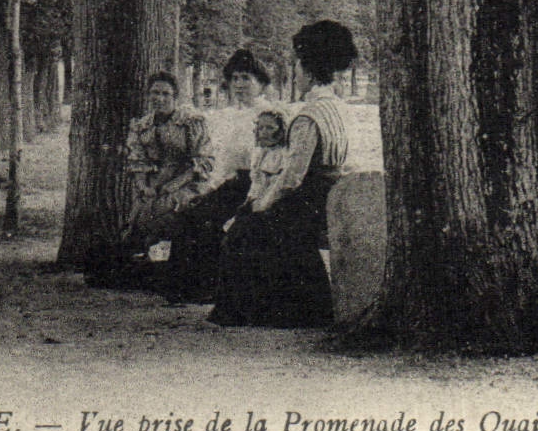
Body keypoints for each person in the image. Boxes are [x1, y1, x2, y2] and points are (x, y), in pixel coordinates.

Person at [208, 20, 355, 327]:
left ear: (310, 72)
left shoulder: (308, 116)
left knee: (245, 226)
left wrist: (263, 202)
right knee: (252, 222)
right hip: (329, 190)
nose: (296, 75)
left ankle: (253, 311)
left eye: (298, 68)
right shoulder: (337, 107)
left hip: (308, 197)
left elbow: (291, 177)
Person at [162, 49, 274, 304]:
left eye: (246, 78)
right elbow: (220, 162)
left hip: (256, 183)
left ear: (261, 82)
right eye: (235, 79)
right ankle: (184, 287)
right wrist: (206, 188)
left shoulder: (268, 115)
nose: (240, 85)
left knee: (208, 218)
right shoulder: (226, 116)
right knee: (190, 211)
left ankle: (208, 287)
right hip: (230, 183)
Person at [107, 72, 213, 290]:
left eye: (166, 94)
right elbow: (136, 158)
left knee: (169, 214)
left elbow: (203, 159)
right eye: (155, 93)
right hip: (153, 183)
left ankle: (173, 271)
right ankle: (148, 269)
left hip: (186, 183)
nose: (160, 98)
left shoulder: (190, 122)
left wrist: (173, 185)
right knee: (141, 215)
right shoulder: (142, 125)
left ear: (175, 96)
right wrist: (143, 186)